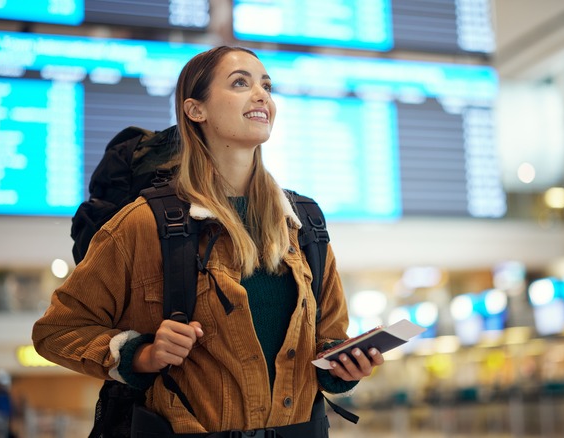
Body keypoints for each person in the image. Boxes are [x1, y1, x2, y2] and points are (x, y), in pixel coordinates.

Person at [32, 46, 384, 436]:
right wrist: (142, 354)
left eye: (266, 85)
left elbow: (327, 338)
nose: (261, 95)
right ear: (195, 110)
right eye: (240, 83)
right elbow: (57, 331)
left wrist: (342, 369)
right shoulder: (143, 224)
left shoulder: (304, 224)